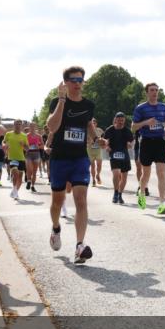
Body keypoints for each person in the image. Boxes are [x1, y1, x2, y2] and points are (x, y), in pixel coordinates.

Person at [46, 66, 96, 263]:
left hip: (79, 159)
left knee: (81, 200)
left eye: (80, 80)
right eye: (73, 80)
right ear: (65, 82)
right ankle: (56, 227)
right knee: (57, 201)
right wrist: (61, 100)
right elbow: (52, 126)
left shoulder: (89, 104)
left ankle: (79, 245)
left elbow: (88, 124)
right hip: (59, 158)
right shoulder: (57, 102)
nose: (78, 83)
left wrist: (96, 138)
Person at [131, 83, 165, 215]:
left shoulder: (163, 107)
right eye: (152, 90)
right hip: (146, 142)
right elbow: (133, 127)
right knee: (146, 173)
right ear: (147, 93)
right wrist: (146, 122)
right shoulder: (140, 108)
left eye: (156, 90)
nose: (155, 92)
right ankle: (142, 194)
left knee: (161, 173)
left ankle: (161, 205)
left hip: (160, 142)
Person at [102, 112, 135, 204]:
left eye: (122, 120)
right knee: (116, 174)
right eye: (119, 120)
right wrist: (106, 147)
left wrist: (130, 145)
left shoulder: (127, 131)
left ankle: (120, 194)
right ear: (115, 120)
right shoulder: (110, 130)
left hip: (125, 155)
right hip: (114, 155)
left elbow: (132, 141)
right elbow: (104, 141)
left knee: (124, 177)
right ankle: (115, 193)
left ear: (124, 120)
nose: (121, 122)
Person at [3, 120, 28, 200]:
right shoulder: (8, 134)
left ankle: (15, 192)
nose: (18, 126)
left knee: (20, 178)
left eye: (19, 124)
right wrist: (4, 145)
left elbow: (27, 148)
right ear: (14, 125)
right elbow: (3, 142)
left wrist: (23, 145)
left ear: (21, 126)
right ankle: (14, 189)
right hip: (12, 157)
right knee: (15, 173)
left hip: (21, 158)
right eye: (16, 124)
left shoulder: (24, 136)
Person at [25, 122, 44, 192]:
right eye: (31, 126)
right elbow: (23, 146)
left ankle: (32, 186)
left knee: (34, 172)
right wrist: (27, 147)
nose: (32, 128)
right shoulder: (26, 136)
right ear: (29, 127)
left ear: (35, 127)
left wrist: (38, 146)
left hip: (36, 154)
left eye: (33, 126)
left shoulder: (39, 136)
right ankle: (29, 181)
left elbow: (43, 146)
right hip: (29, 154)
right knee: (29, 169)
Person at [87, 118, 105, 185]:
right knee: (92, 166)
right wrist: (89, 142)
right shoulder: (87, 130)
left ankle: (98, 175)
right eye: (92, 123)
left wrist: (102, 141)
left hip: (98, 150)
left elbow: (104, 137)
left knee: (99, 164)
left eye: (94, 123)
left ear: (96, 124)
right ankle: (93, 179)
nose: (93, 124)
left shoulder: (99, 130)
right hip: (90, 150)